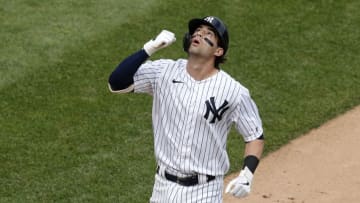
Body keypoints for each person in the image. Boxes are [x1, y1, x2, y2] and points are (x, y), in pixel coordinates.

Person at [108, 16, 265, 203]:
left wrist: (247, 174)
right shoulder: (164, 72)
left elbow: (254, 135)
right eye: (197, 30)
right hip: (162, 188)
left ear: (219, 50)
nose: (199, 33)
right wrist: (149, 48)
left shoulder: (234, 91)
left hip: (205, 191)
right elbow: (116, 83)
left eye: (209, 33)